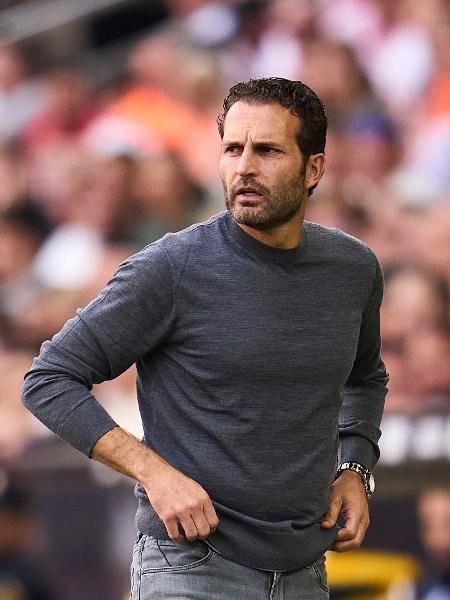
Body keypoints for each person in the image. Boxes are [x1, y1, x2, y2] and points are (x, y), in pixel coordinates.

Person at [22, 77, 388, 599]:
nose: (244, 167)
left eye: (267, 150)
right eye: (232, 149)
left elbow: (367, 377)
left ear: (314, 168)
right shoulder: (171, 267)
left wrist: (354, 467)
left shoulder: (353, 269)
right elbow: (49, 378)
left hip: (305, 570)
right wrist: (153, 473)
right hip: (191, 567)